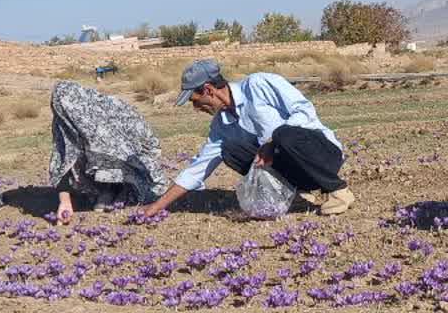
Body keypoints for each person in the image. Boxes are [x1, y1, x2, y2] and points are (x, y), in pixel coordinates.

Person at [141, 60, 354, 218]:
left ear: (208, 90)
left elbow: (304, 111)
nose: (197, 108)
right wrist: (157, 206)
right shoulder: (221, 125)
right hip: (299, 171)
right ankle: (295, 195)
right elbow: (199, 167)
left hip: (322, 156)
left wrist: (271, 142)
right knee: (230, 150)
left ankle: (338, 191)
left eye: (196, 101)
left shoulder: (259, 85)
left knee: (282, 134)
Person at [49, 81, 168, 224]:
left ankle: (125, 190)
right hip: (98, 169)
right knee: (81, 152)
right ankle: (106, 190)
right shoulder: (65, 123)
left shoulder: (111, 110)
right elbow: (62, 160)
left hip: (133, 157)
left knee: (115, 151)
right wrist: (65, 201)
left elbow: (145, 144)